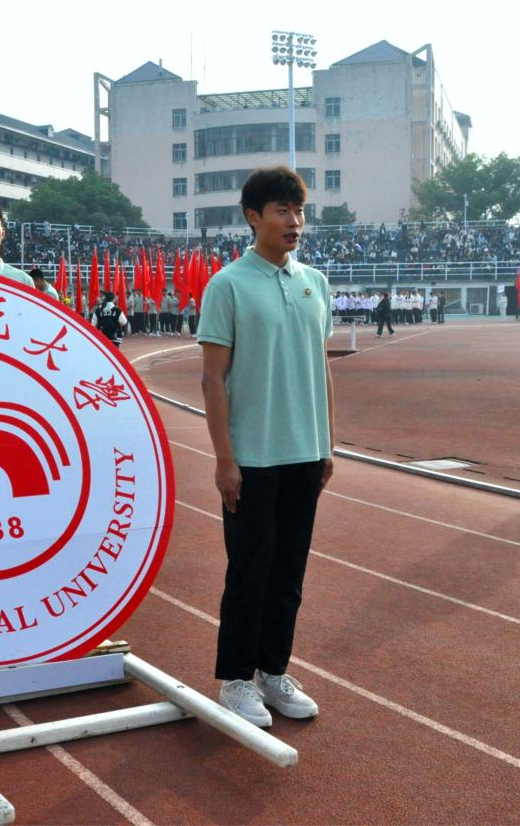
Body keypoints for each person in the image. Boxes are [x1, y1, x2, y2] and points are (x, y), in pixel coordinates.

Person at [197, 166, 334, 729]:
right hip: (252, 458)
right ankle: (236, 679)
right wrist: (224, 459)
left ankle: (274, 671)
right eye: (282, 210)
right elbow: (213, 379)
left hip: (305, 454)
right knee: (250, 571)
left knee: (289, 573)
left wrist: (326, 444)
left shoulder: (314, 282)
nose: (294, 221)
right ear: (254, 217)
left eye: (299, 211)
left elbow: (320, 366)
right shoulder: (228, 285)